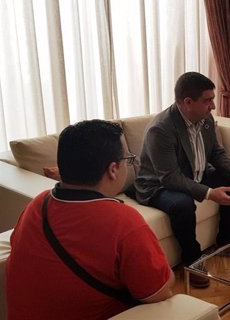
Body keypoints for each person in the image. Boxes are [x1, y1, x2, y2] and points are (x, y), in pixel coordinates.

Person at [6, 120, 174, 319]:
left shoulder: (37, 205)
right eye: (127, 160)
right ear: (113, 170)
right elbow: (157, 292)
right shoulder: (124, 222)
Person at [135, 71, 230, 288]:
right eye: (208, 100)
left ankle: (226, 240)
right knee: (182, 204)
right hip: (157, 185)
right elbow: (170, 177)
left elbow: (216, 153)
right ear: (187, 102)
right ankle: (192, 259)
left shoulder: (205, 118)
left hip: (194, 173)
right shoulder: (161, 130)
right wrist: (209, 193)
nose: (213, 106)